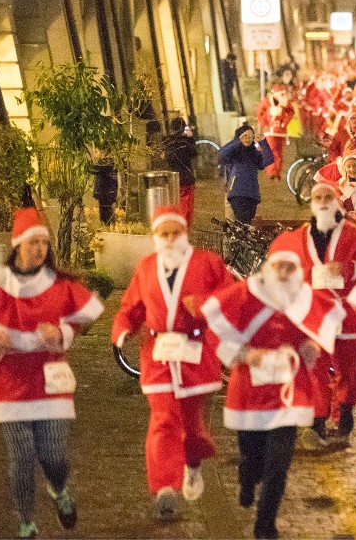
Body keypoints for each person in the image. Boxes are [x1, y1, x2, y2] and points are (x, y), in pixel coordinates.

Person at [201, 236, 343, 540]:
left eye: (290, 267)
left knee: (279, 466)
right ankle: (247, 478)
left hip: (288, 392)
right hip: (250, 390)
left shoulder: (304, 298)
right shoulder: (243, 295)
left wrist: (312, 346)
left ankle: (265, 526)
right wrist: (245, 355)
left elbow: (319, 327)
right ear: (268, 266)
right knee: (251, 455)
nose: (283, 273)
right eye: (278, 265)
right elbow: (218, 333)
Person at [0, 208, 104, 539]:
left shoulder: (60, 285)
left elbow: (85, 318)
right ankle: (27, 521)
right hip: (8, 380)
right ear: (17, 245)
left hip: (50, 380)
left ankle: (58, 487)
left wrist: (62, 334)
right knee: (21, 457)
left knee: (54, 454)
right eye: (33, 242)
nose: (39, 249)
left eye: (44, 242)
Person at [111, 206, 234, 519]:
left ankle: (192, 464)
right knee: (163, 419)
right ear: (155, 237)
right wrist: (122, 329)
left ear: (184, 233)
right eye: (162, 234)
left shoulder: (208, 263)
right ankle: (165, 487)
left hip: (195, 352)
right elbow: (131, 306)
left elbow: (232, 297)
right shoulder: (146, 267)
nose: (168, 239)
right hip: (158, 354)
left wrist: (203, 304)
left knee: (192, 429)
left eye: (174, 233)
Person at [274, 181, 356, 442]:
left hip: (347, 311)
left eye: (328, 196)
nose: (323, 201)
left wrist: (348, 269)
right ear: (311, 203)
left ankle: (344, 412)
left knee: (348, 368)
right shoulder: (298, 238)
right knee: (316, 368)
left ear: (338, 201)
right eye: (317, 196)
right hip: (314, 314)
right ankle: (317, 418)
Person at [219, 125, 274, 224]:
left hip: (252, 196)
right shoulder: (234, 153)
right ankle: (236, 239)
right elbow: (222, 154)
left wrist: (263, 142)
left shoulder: (255, 154)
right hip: (237, 193)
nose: (248, 138)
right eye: (245, 135)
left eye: (250, 136)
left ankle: (237, 238)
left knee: (246, 224)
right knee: (241, 222)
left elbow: (268, 160)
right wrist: (237, 141)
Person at [162, 117, 198, 224]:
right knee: (187, 207)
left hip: (172, 179)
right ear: (184, 128)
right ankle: (182, 230)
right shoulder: (185, 143)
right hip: (186, 178)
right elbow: (194, 153)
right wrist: (190, 138)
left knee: (174, 205)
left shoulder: (167, 142)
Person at [256, 85, 294, 180]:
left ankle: (276, 171)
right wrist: (264, 123)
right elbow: (259, 111)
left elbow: (291, 112)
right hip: (270, 131)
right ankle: (272, 171)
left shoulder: (285, 102)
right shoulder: (267, 101)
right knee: (272, 151)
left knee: (279, 152)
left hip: (280, 132)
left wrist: (284, 123)